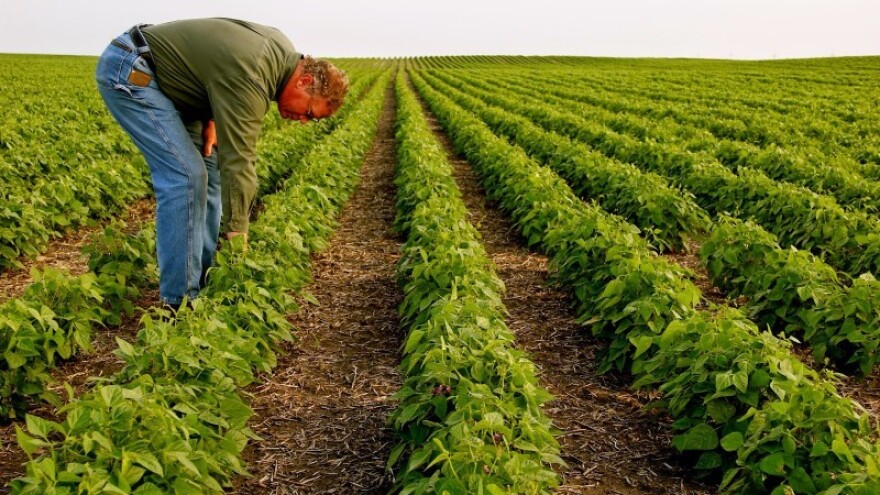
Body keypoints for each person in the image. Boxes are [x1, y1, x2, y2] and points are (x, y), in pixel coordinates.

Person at [95, 18, 349, 309]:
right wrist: (238, 235)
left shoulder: (281, 52)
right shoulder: (255, 74)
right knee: (185, 177)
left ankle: (204, 278)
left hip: (173, 85)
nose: (304, 120)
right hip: (134, 72)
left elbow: (221, 69)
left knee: (209, 166)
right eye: (308, 112)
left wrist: (214, 119)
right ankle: (180, 303)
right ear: (304, 81)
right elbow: (239, 163)